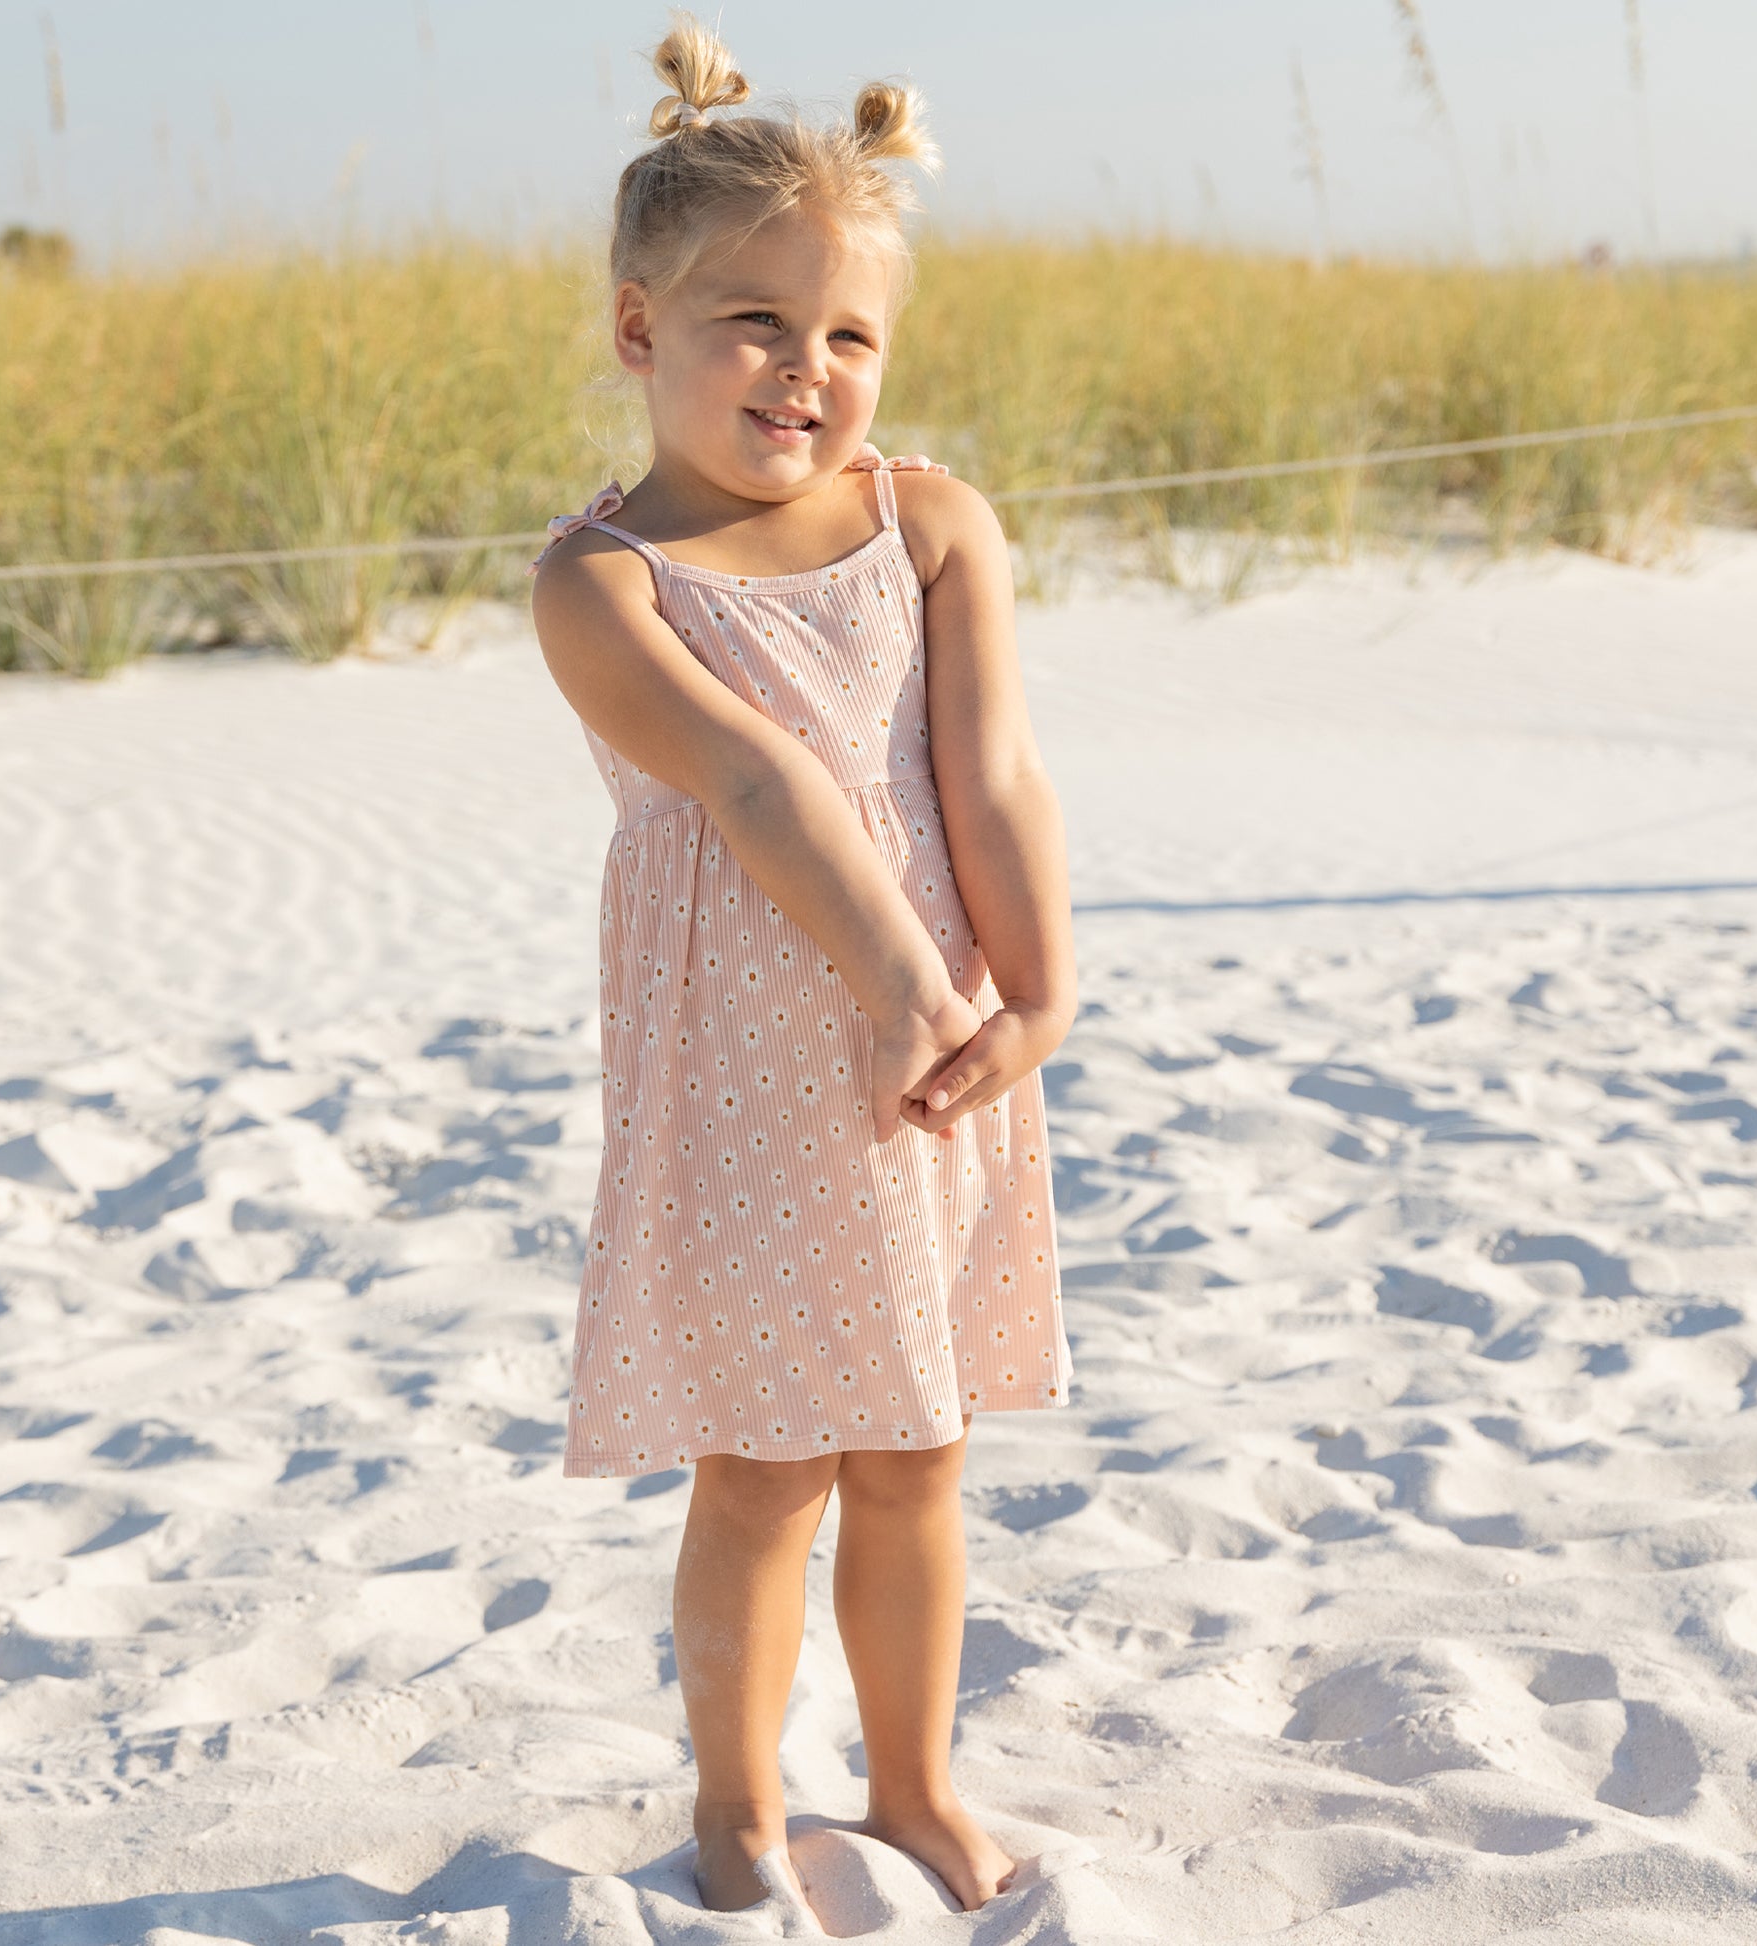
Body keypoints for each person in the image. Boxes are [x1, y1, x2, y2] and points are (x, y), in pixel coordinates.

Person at [527, 10, 1077, 1923]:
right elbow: (759, 788)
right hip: (755, 1062)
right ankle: (741, 1803)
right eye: (752, 321)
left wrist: (1032, 991)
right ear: (637, 329)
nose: (803, 372)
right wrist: (914, 982)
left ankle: (915, 1781)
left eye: (846, 335)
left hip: (925, 1051)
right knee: (765, 1462)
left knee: (917, 1447)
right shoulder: (599, 579)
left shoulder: (928, 522)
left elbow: (988, 771)